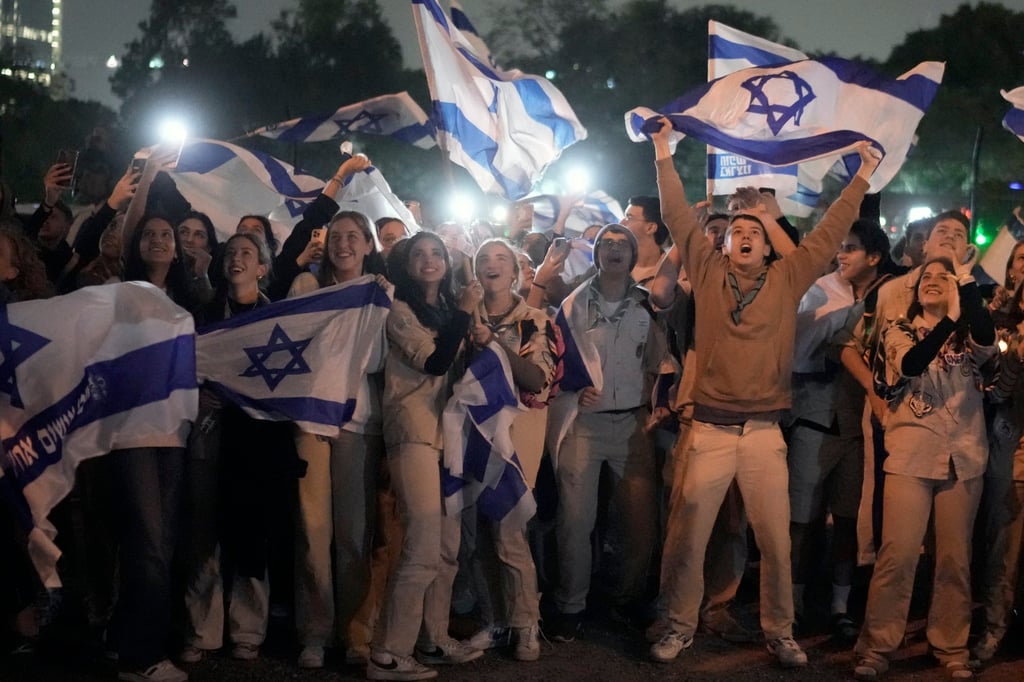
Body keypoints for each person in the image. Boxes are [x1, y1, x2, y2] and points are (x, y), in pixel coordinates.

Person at [646, 117, 878, 668]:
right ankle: (677, 625)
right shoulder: (707, 272)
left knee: (774, 541)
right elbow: (676, 213)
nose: (745, 236)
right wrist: (662, 149)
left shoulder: (788, 277)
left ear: (769, 243)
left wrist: (863, 173)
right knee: (687, 538)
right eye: (736, 231)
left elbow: (829, 231)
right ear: (723, 243)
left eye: (755, 231)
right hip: (709, 430)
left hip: (764, 434)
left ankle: (780, 631)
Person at [853, 257, 995, 680]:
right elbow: (911, 364)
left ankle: (951, 644)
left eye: (942, 277)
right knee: (897, 556)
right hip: (911, 454)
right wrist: (948, 317)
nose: (932, 281)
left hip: (964, 456)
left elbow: (987, 339)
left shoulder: (970, 334)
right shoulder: (898, 328)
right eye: (924, 278)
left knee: (954, 558)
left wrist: (965, 285)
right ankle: (878, 647)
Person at [367, 231, 484, 681]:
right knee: (420, 542)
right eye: (419, 254)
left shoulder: (450, 308)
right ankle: (387, 652)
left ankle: (432, 638)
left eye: (437, 253)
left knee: (446, 545)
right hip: (414, 430)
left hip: (448, 434)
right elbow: (434, 362)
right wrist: (464, 313)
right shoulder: (399, 311)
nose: (430, 260)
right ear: (406, 263)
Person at [548, 222, 671, 641]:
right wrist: (573, 390)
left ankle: (627, 599)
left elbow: (663, 362)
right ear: (596, 253)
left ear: (633, 255)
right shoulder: (573, 306)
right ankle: (571, 604)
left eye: (623, 244)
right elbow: (556, 362)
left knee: (639, 523)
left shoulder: (648, 306)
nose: (615, 249)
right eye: (607, 243)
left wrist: (660, 402)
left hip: (634, 425)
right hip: (584, 423)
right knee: (574, 521)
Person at [182, 232, 296, 664]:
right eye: (231, 252)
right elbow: (184, 364)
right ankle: (201, 629)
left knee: (253, 528)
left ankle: (248, 628)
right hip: (210, 433)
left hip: (257, 437)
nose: (237, 258)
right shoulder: (204, 315)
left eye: (247, 253)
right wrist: (198, 392)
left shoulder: (278, 320)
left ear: (262, 268)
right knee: (203, 531)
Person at [287, 209, 390, 669]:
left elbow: (377, 360)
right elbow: (292, 345)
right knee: (312, 530)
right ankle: (315, 632)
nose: (343, 244)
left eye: (353, 236)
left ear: (368, 245)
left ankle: (356, 633)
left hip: (358, 422)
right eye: (336, 237)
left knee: (354, 533)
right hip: (310, 419)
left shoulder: (381, 294)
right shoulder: (307, 287)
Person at [786, 219, 894, 638]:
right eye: (840, 247)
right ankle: (792, 604)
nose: (841, 255)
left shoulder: (888, 295)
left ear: (874, 257)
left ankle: (839, 606)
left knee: (848, 519)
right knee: (803, 519)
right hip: (814, 416)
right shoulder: (819, 289)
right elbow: (801, 350)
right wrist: (854, 316)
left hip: (857, 426)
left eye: (851, 248)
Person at [464, 239, 557, 662]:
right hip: (471, 435)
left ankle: (525, 623)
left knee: (509, 531)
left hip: (515, 439)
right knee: (480, 532)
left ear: (516, 273)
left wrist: (495, 345)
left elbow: (537, 378)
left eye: (501, 258)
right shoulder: (464, 316)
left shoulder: (533, 321)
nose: (492, 264)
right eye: (483, 259)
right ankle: (496, 619)